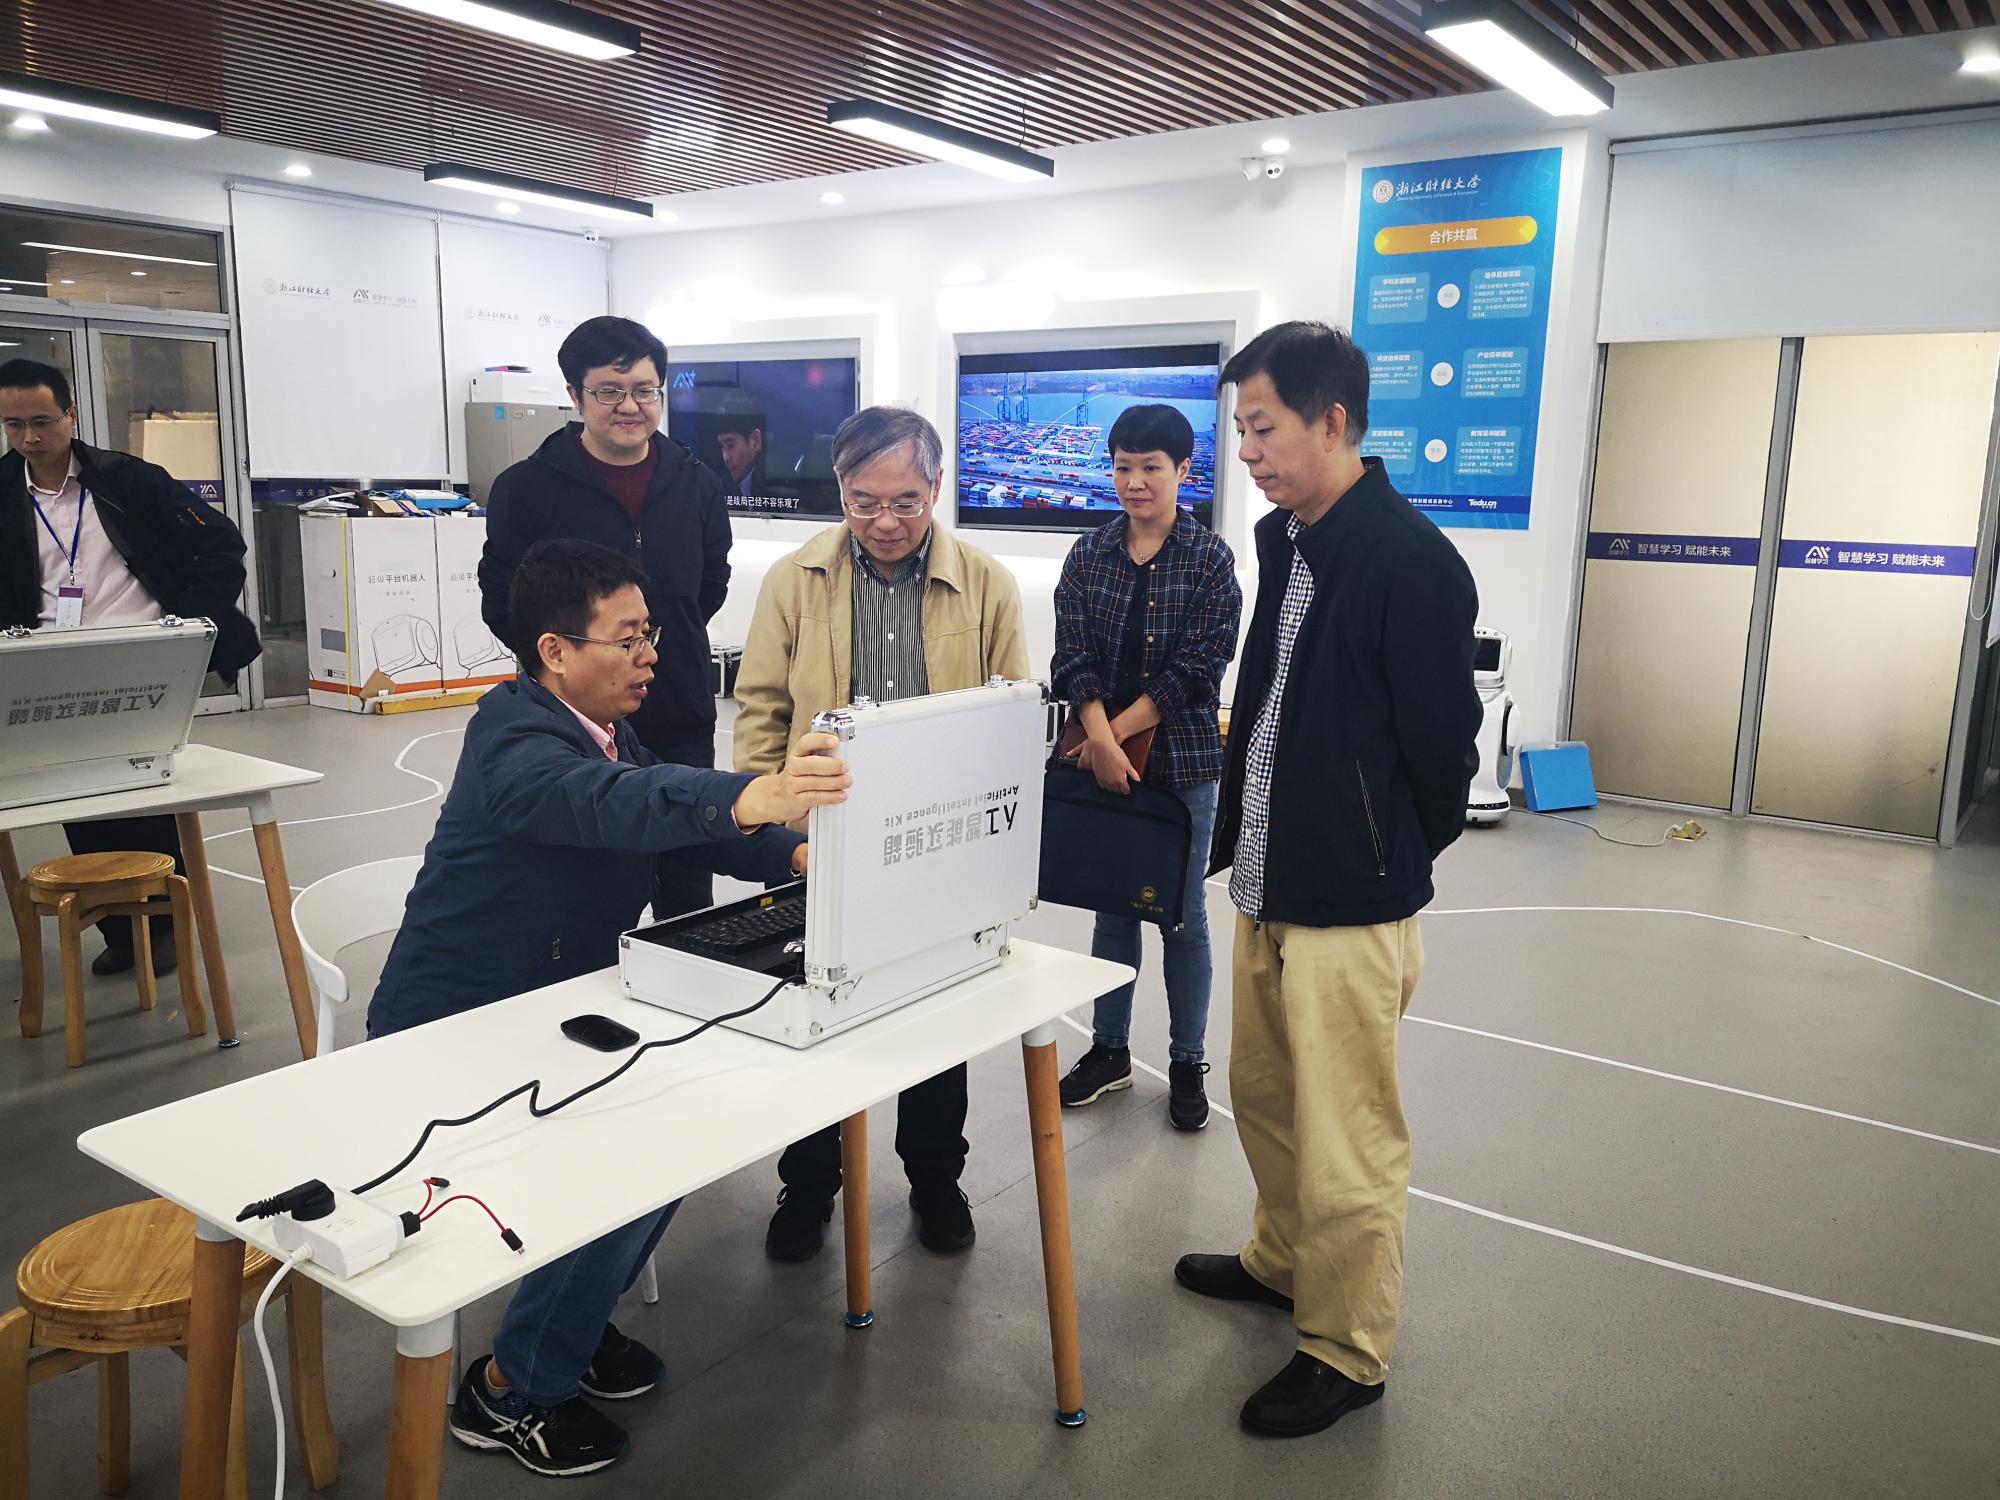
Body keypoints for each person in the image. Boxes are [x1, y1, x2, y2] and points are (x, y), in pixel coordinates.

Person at [370, 538, 850, 1478]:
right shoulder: (514, 738)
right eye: (627, 639)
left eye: (650, 634)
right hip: (452, 1036)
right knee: (641, 1149)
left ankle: (567, 1327)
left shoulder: (601, 729)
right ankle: (510, 1390)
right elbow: (614, 804)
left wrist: (794, 853)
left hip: (550, 1011)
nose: (650, 655)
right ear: (555, 651)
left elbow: (668, 823)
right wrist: (752, 794)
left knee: (676, 1133)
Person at [1176, 322, 1480, 1440]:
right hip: (1267, 878)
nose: (1245, 451)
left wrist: (1378, 854)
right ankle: (1282, 1258)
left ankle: (1346, 1348)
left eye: (1261, 427)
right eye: (1240, 428)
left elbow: (1444, 756)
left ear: (1332, 422)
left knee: (1348, 1133)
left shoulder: (1409, 560)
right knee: (1263, 1097)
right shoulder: (1290, 541)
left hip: (1349, 900)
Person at [734, 405, 1029, 1262]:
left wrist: (993, 851)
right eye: (864, 503)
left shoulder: (987, 584)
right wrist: (771, 824)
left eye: (905, 501)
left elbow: (1009, 721)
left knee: (937, 1020)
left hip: (941, 843)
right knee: (813, 1014)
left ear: (936, 485)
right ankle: (808, 1183)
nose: (886, 522)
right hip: (820, 842)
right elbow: (761, 711)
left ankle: (935, 1179)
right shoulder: (795, 580)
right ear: (840, 490)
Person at [0, 357, 261, 977]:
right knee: (74, 790)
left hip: (141, 658)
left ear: (71, 415)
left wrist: (188, 628)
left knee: (142, 787)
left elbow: (220, 544)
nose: (29, 437)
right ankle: (119, 926)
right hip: (51, 661)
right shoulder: (5, 493)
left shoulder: (129, 480)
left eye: (42, 421)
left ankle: (162, 924)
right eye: (13, 425)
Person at [478, 316, 731, 923]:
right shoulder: (526, 488)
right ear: (575, 395)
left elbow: (709, 585)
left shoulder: (696, 483)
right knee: (579, 885)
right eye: (609, 391)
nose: (630, 406)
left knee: (687, 879)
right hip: (572, 724)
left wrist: (647, 646)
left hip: (679, 709)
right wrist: (573, 669)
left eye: (645, 390)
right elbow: (502, 597)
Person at [1049, 403, 1241, 1131]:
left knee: (1182, 916)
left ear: (1183, 471)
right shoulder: (1089, 553)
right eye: (1123, 466)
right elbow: (1072, 656)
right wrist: (1100, 739)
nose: (1134, 481)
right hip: (1097, 752)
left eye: (1150, 467)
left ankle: (1188, 1061)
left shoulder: (1210, 559)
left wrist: (1110, 738)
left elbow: (1197, 669)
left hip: (1182, 761)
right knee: (1113, 906)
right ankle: (1110, 1050)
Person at [714, 399, 765, 499]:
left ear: (755, 441)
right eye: (722, 447)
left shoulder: (778, 483)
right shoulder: (716, 484)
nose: (725, 457)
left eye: (730, 445)